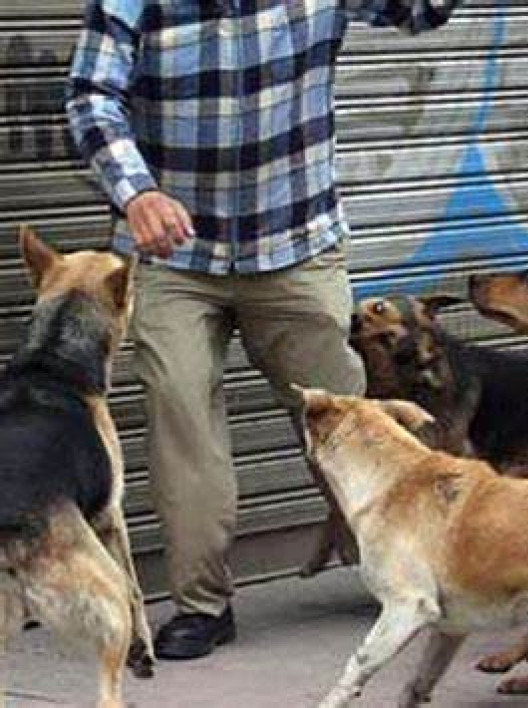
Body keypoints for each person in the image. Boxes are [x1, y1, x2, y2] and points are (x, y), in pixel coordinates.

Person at [66, 0, 465, 660]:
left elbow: (418, 11)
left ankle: (422, 572)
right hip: (174, 256)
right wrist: (135, 192)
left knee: (356, 421)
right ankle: (201, 604)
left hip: (295, 240)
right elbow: (91, 96)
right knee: (181, 419)